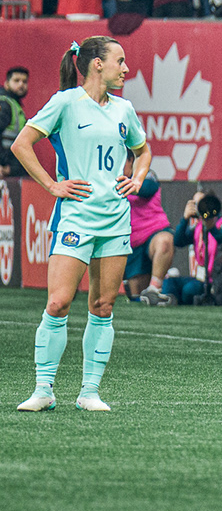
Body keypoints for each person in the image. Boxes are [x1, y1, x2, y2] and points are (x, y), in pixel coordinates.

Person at [14, 36, 152, 413]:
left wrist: (137, 177)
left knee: (103, 305)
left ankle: (89, 392)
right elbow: (22, 144)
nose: (125, 69)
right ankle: (44, 390)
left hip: (115, 219)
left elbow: (143, 150)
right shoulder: (65, 102)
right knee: (58, 303)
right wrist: (51, 185)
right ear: (96, 64)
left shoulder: (124, 109)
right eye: (119, 61)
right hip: (75, 216)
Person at [123, 176, 177, 304]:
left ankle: (155, 287)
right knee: (138, 297)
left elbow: (147, 188)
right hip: (131, 242)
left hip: (153, 232)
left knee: (165, 242)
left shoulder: (146, 175)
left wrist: (115, 185)